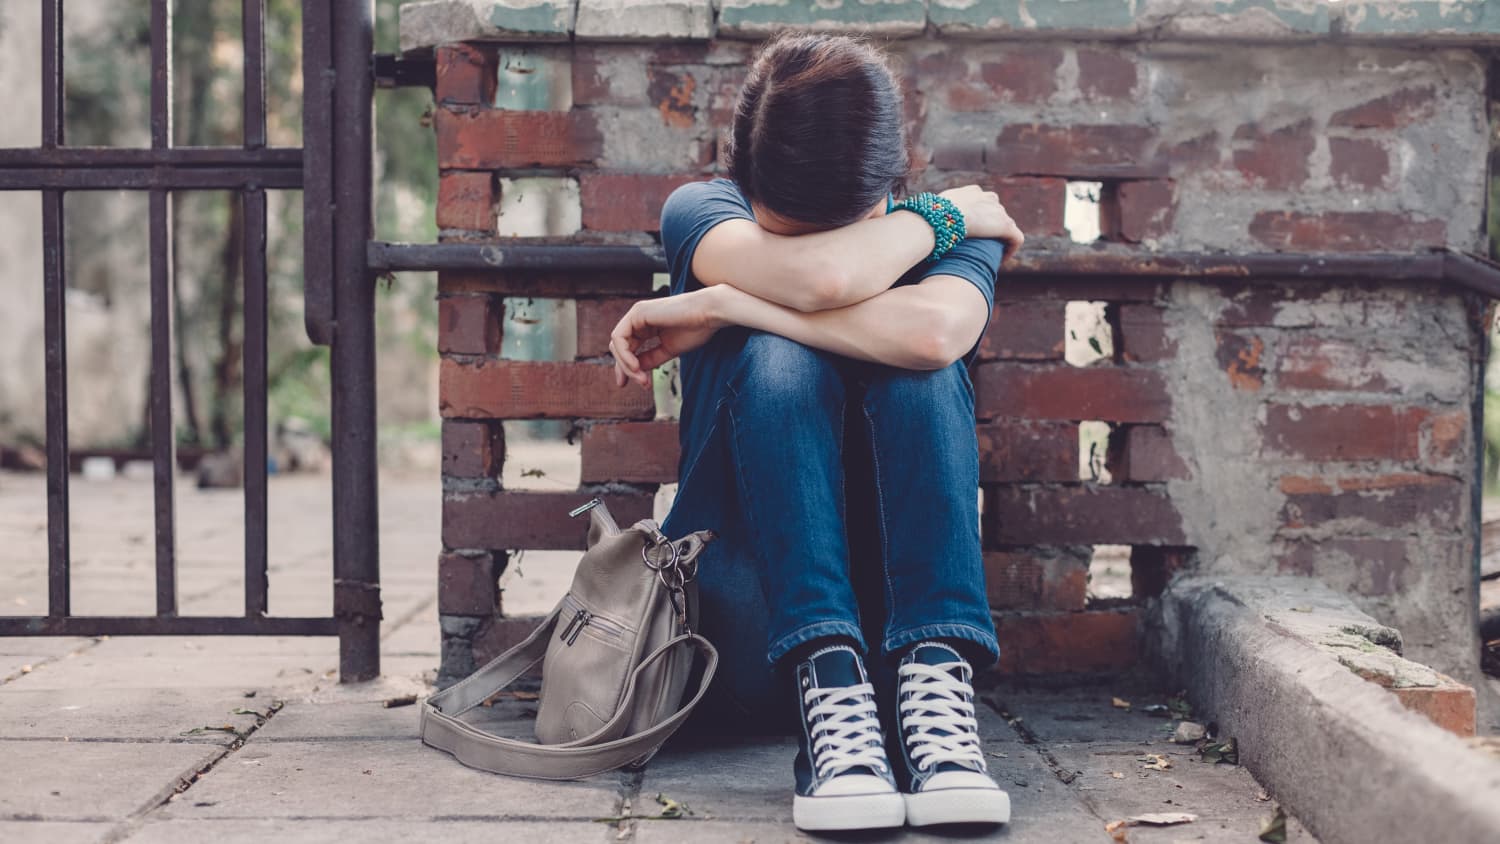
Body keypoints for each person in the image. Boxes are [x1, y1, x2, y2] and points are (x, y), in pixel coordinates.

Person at [608, 32, 1024, 833]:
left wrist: (726, 302)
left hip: (903, 649)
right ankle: (826, 677)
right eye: (785, 232)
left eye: (835, 226)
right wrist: (941, 216)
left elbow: (937, 335)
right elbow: (825, 280)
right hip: (741, 634)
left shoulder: (951, 234)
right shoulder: (704, 210)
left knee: (922, 369)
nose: (809, 250)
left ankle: (938, 692)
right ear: (745, 179)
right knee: (780, 359)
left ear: (885, 188)